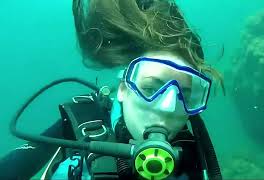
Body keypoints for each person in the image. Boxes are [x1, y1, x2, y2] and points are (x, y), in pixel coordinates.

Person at [0, 0, 224, 179]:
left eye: (183, 95)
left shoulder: (197, 155)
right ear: (123, 89)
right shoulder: (83, 120)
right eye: (149, 87)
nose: (167, 107)